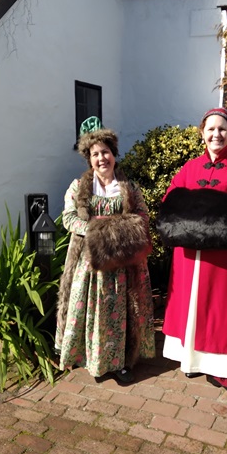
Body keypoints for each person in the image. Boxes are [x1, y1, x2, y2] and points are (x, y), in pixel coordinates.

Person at [160, 107, 227, 399]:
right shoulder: (189, 168)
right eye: (210, 129)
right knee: (191, 305)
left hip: (226, 258)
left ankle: (222, 371)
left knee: (222, 310)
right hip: (190, 256)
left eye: (222, 129)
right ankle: (193, 360)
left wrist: (225, 214)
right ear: (202, 133)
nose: (216, 134)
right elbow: (170, 198)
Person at [55, 117, 155, 384]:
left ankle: (123, 363)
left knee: (123, 313)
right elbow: (68, 219)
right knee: (95, 313)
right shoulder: (77, 188)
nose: (102, 158)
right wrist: (96, 230)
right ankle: (96, 361)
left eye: (106, 152)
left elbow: (142, 217)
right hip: (91, 264)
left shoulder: (129, 188)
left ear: (114, 154)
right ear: (89, 159)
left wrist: (115, 230)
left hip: (124, 264)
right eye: (95, 154)